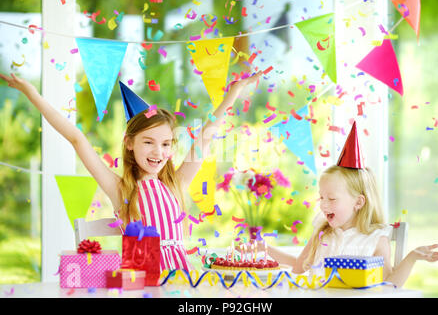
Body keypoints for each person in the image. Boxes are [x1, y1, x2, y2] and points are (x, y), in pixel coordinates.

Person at [0, 70, 263, 272]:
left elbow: (206, 135)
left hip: (181, 280)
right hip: (142, 284)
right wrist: (31, 94)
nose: (158, 152)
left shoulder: (175, 183)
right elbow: (77, 138)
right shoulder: (121, 189)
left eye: (165, 144)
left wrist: (235, 92)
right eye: (148, 142)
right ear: (129, 143)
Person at [256, 123, 438, 288]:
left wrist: (411, 257)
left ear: (358, 202)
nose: (323, 205)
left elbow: (389, 284)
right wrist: (262, 249)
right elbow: (298, 266)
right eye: (321, 197)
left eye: (332, 199)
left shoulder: (376, 239)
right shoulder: (323, 230)